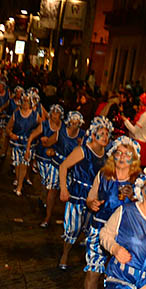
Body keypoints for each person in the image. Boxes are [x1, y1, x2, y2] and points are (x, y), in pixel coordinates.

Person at [76, 137, 140, 289]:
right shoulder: (104, 175)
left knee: (121, 279)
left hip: (124, 237)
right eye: (118, 152)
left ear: (134, 159)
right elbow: (90, 198)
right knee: (93, 271)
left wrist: (135, 196)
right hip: (99, 229)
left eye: (127, 154)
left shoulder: (138, 181)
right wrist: (92, 204)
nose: (122, 157)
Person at [58, 115, 111, 269]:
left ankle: (84, 253)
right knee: (72, 227)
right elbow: (63, 166)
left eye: (107, 134)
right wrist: (63, 188)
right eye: (102, 133)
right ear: (93, 135)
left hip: (94, 195)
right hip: (77, 193)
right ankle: (65, 254)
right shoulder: (82, 150)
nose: (105, 137)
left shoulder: (107, 156)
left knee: (89, 227)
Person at [28, 105, 81, 229]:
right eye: (72, 123)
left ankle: (68, 221)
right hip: (57, 165)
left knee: (70, 195)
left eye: (76, 123)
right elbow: (47, 144)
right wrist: (48, 147)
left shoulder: (81, 136)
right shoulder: (60, 132)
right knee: (53, 190)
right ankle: (47, 217)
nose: (74, 125)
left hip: (72, 168)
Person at [5, 93, 39, 196]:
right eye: (23, 101)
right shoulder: (16, 114)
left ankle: (19, 186)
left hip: (28, 144)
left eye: (27, 102)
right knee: (17, 164)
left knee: (24, 164)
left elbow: (43, 127)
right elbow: (8, 127)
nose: (25, 104)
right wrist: (11, 134)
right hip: (17, 143)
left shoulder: (35, 115)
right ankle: (18, 178)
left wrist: (35, 135)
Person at [124, 93, 146, 166]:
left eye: (141, 101)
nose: (139, 102)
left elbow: (134, 131)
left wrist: (125, 121)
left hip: (140, 144)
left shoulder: (145, 115)